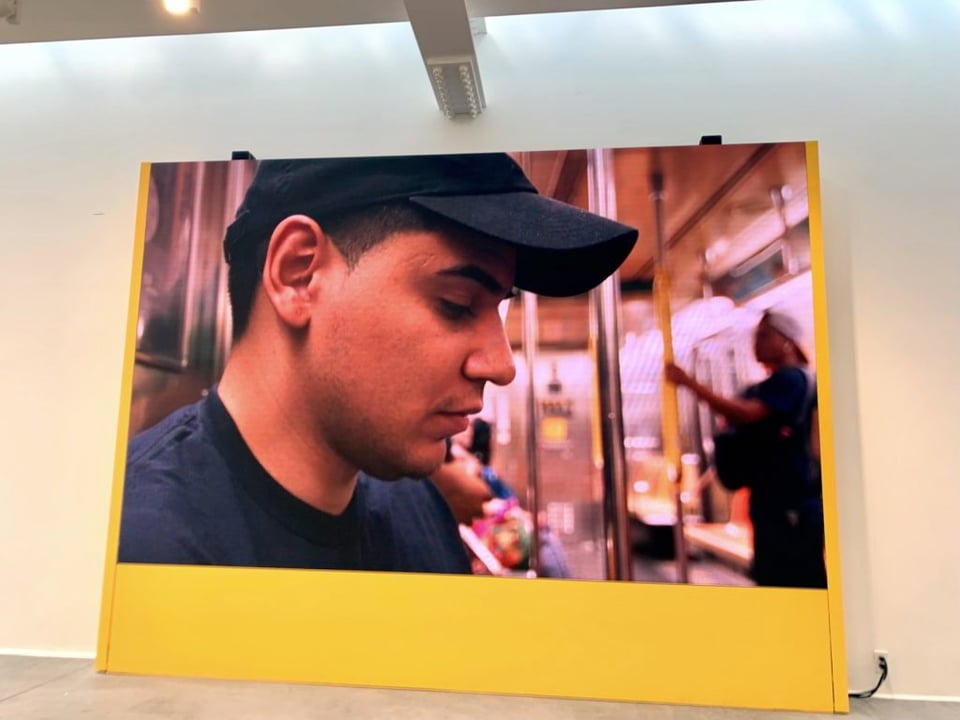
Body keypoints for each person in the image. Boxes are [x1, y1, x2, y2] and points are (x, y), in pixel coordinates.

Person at [118, 152, 638, 573]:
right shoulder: (141, 552)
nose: (501, 366)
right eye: (456, 304)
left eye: (499, 308)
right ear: (299, 275)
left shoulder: (417, 506)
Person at [665, 310, 826, 589]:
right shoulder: (779, 382)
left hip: (790, 506)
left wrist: (689, 383)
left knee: (791, 579)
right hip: (776, 502)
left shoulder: (792, 379)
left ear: (788, 342)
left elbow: (747, 413)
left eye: (764, 336)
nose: (756, 343)